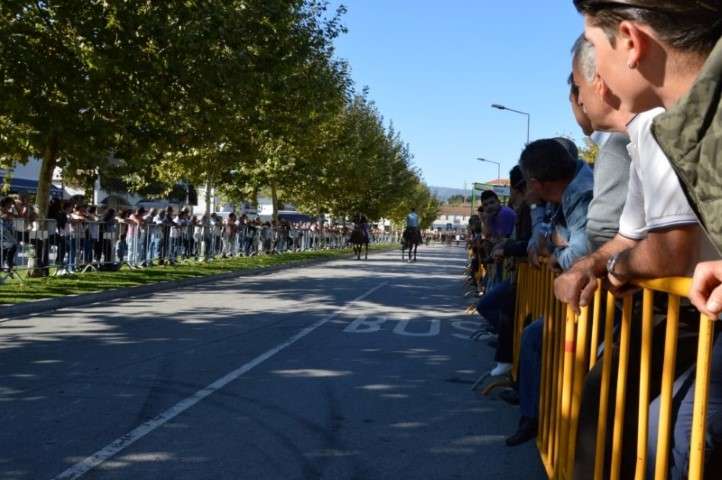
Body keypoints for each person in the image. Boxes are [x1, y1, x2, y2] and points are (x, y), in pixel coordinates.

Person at [571, 2, 722, 477]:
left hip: (691, 329)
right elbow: (628, 236)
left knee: (676, 434)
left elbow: (672, 249)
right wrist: (593, 265)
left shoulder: (675, 125)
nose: (595, 80)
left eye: (595, 49)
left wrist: (614, 269)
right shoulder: (676, 126)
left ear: (631, 43)